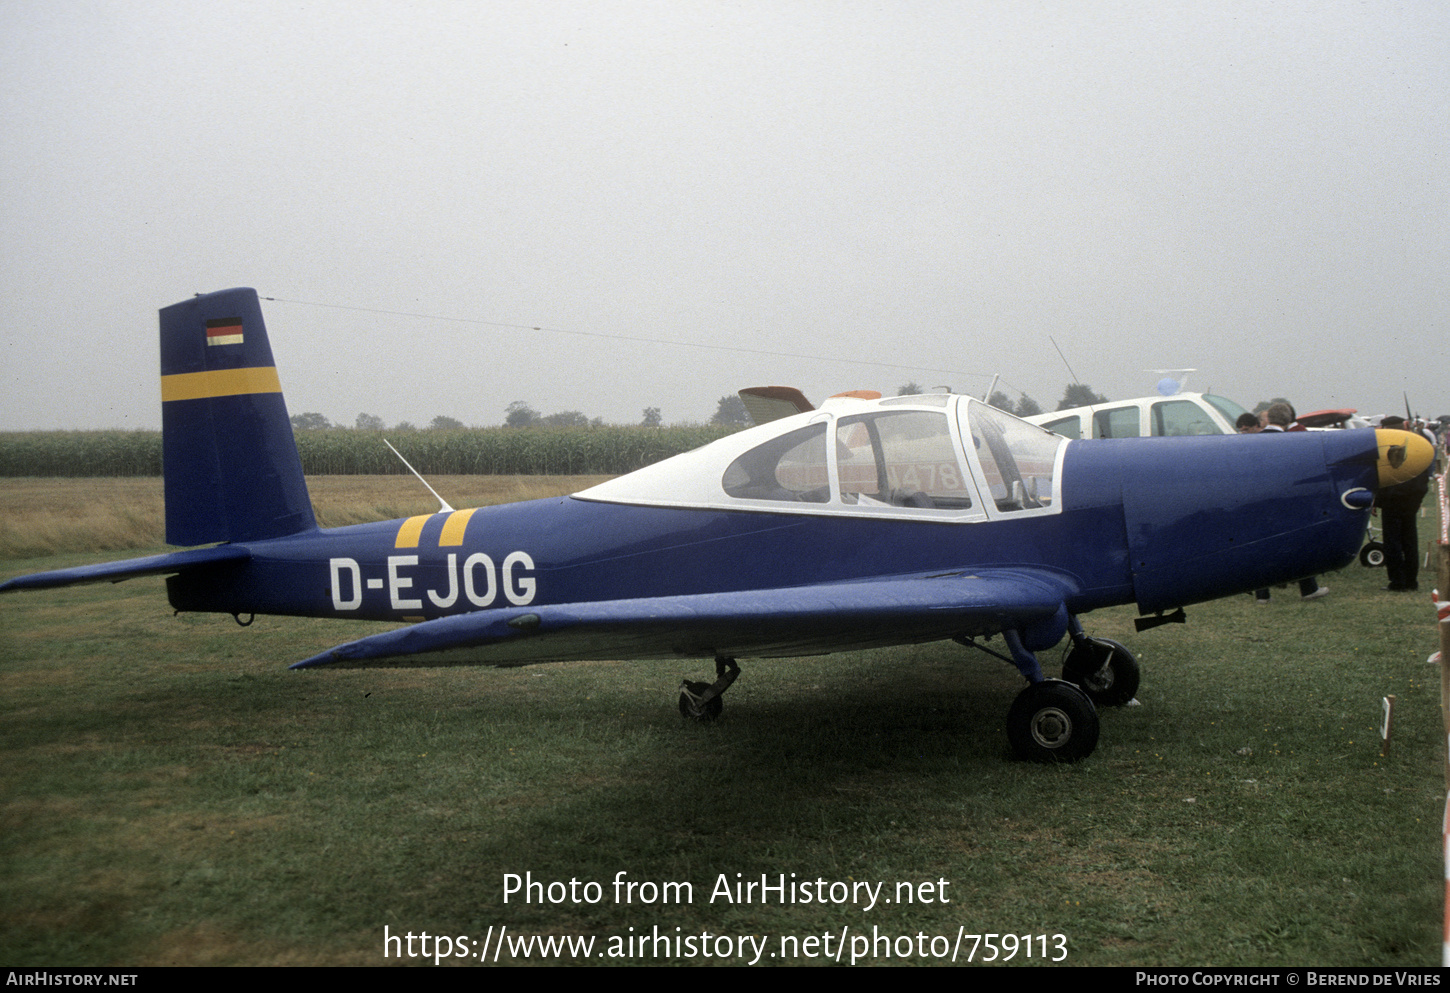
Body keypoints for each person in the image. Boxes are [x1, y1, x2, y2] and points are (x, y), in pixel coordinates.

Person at [1254, 403, 1327, 602]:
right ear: (1287, 421)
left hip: (1259, 501)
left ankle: (1262, 594)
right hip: (1288, 501)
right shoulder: (1293, 440)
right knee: (1299, 544)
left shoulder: (1252, 440)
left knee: (1263, 547)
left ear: (1268, 419)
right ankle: (1308, 588)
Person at [1375, 415, 1435, 592]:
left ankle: (1397, 581)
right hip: (1411, 500)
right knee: (1410, 540)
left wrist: (1377, 500)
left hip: (1392, 501)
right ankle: (1411, 580)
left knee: (1392, 542)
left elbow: (1383, 476)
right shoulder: (1416, 445)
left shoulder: (1389, 448)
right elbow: (1423, 475)